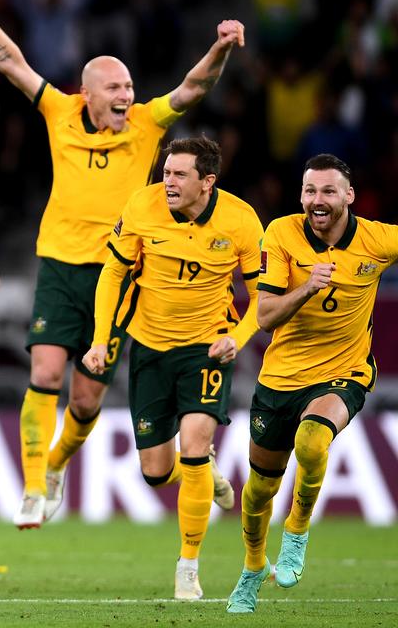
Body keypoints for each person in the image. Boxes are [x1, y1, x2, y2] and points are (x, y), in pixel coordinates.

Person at [0, 0, 246, 528]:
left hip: (120, 276)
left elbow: (193, 89)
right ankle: (34, 487)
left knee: (85, 403)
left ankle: (59, 463)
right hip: (60, 266)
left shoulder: (145, 124)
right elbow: (9, 60)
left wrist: (221, 48)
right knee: (45, 371)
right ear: (88, 94)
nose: (126, 95)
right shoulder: (59, 112)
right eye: (114, 87)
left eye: (129, 85)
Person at [81, 136, 263, 600]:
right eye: (165, 172)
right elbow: (113, 273)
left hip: (205, 348)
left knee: (195, 445)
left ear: (208, 181)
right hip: (149, 347)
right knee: (157, 471)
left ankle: (187, 566)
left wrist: (236, 339)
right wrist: (101, 339)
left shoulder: (241, 221)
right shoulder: (142, 206)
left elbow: (265, 296)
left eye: (179, 175)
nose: (168, 182)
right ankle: (205, 474)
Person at [225, 155, 395, 613]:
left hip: (345, 372)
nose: (316, 201)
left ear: (349, 196)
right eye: (309, 191)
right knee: (259, 490)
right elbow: (263, 317)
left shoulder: (379, 239)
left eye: (327, 191)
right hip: (280, 378)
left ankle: (297, 532)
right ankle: (253, 566)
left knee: (313, 441)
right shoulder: (280, 233)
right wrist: (306, 289)